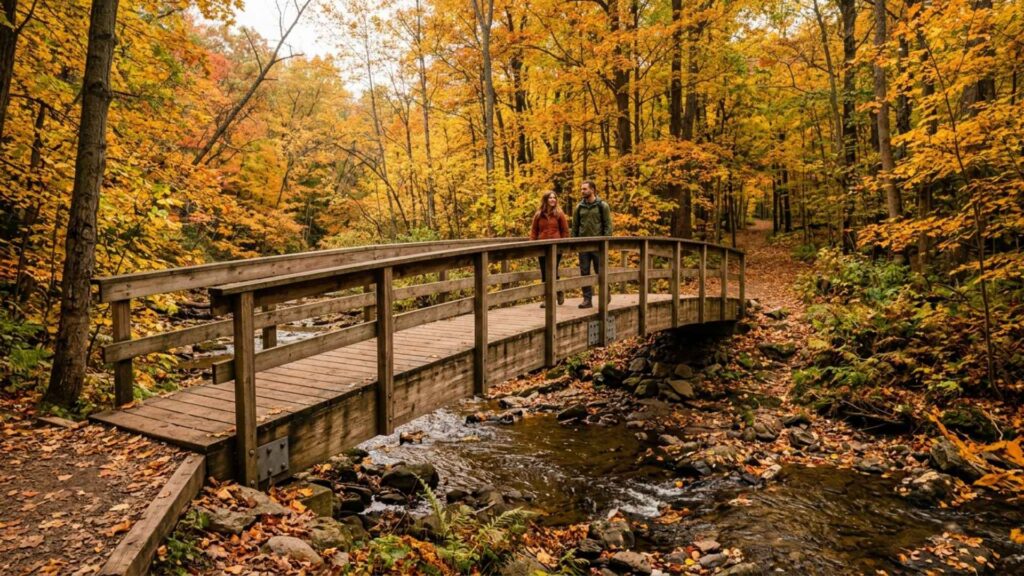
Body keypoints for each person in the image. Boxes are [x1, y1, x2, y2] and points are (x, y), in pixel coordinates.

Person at [571, 180, 612, 308]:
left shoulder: (602, 206)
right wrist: (574, 243)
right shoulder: (579, 207)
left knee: (600, 270)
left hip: (598, 246)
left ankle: (605, 293)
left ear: (592, 190)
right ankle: (587, 300)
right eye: (581, 189)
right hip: (583, 246)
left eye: (585, 189)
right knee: (584, 272)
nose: (582, 191)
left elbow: (608, 226)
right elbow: (575, 227)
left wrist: (605, 242)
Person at [531, 190, 569, 306]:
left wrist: (564, 245)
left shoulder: (559, 214)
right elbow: (534, 231)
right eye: (550, 198)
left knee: (553, 270)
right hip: (542, 247)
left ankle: (557, 292)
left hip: (556, 247)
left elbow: (565, 231)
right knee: (544, 273)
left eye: (554, 198)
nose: (553, 200)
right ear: (545, 200)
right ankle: (547, 299)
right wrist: (532, 246)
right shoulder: (538, 215)